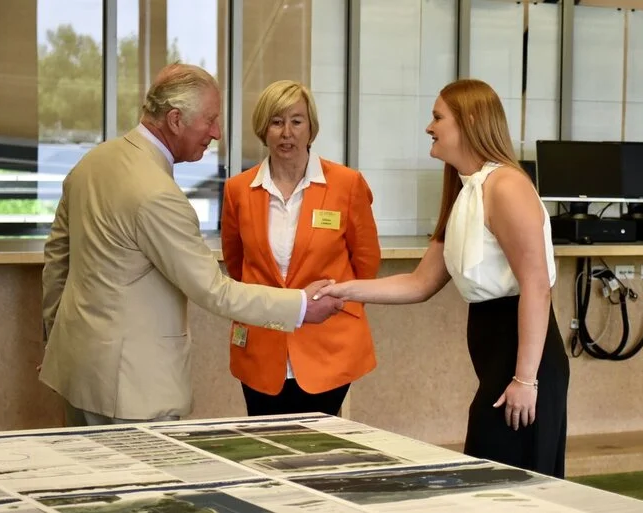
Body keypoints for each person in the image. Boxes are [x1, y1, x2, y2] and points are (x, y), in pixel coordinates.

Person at [39, 63, 343, 427]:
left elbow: (57, 261)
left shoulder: (91, 163)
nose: (216, 133)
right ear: (175, 120)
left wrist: (55, 337)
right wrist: (299, 306)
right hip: (133, 390)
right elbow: (213, 290)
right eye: (210, 120)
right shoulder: (157, 194)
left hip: (77, 372)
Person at [313, 79, 570, 478]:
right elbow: (420, 283)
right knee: (490, 482)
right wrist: (342, 290)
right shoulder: (465, 191)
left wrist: (525, 379)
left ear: (468, 121)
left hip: (524, 361)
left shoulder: (506, 186)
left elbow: (537, 285)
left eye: (437, 117)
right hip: (498, 357)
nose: (428, 127)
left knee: (511, 488)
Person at [221, 80, 381, 416]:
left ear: (311, 128)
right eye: (276, 122)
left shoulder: (346, 184)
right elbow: (237, 265)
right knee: (264, 446)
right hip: (262, 343)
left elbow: (366, 262)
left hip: (328, 341)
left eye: (296, 121)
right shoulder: (238, 190)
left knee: (319, 449)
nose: (286, 133)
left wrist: (336, 306)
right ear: (263, 129)